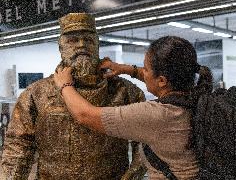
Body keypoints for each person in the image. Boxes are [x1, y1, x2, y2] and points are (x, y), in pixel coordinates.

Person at [1, 13, 147, 180]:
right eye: (73, 40)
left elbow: (145, 143)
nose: (81, 45)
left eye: (89, 40)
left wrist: (131, 176)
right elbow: (18, 148)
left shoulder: (126, 92)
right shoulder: (36, 93)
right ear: (61, 48)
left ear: (97, 47)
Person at [54, 36, 213, 179]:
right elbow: (158, 81)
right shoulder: (197, 96)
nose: (143, 72)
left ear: (162, 80)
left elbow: (85, 115)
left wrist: (65, 85)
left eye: (146, 68)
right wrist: (125, 69)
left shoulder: (157, 115)